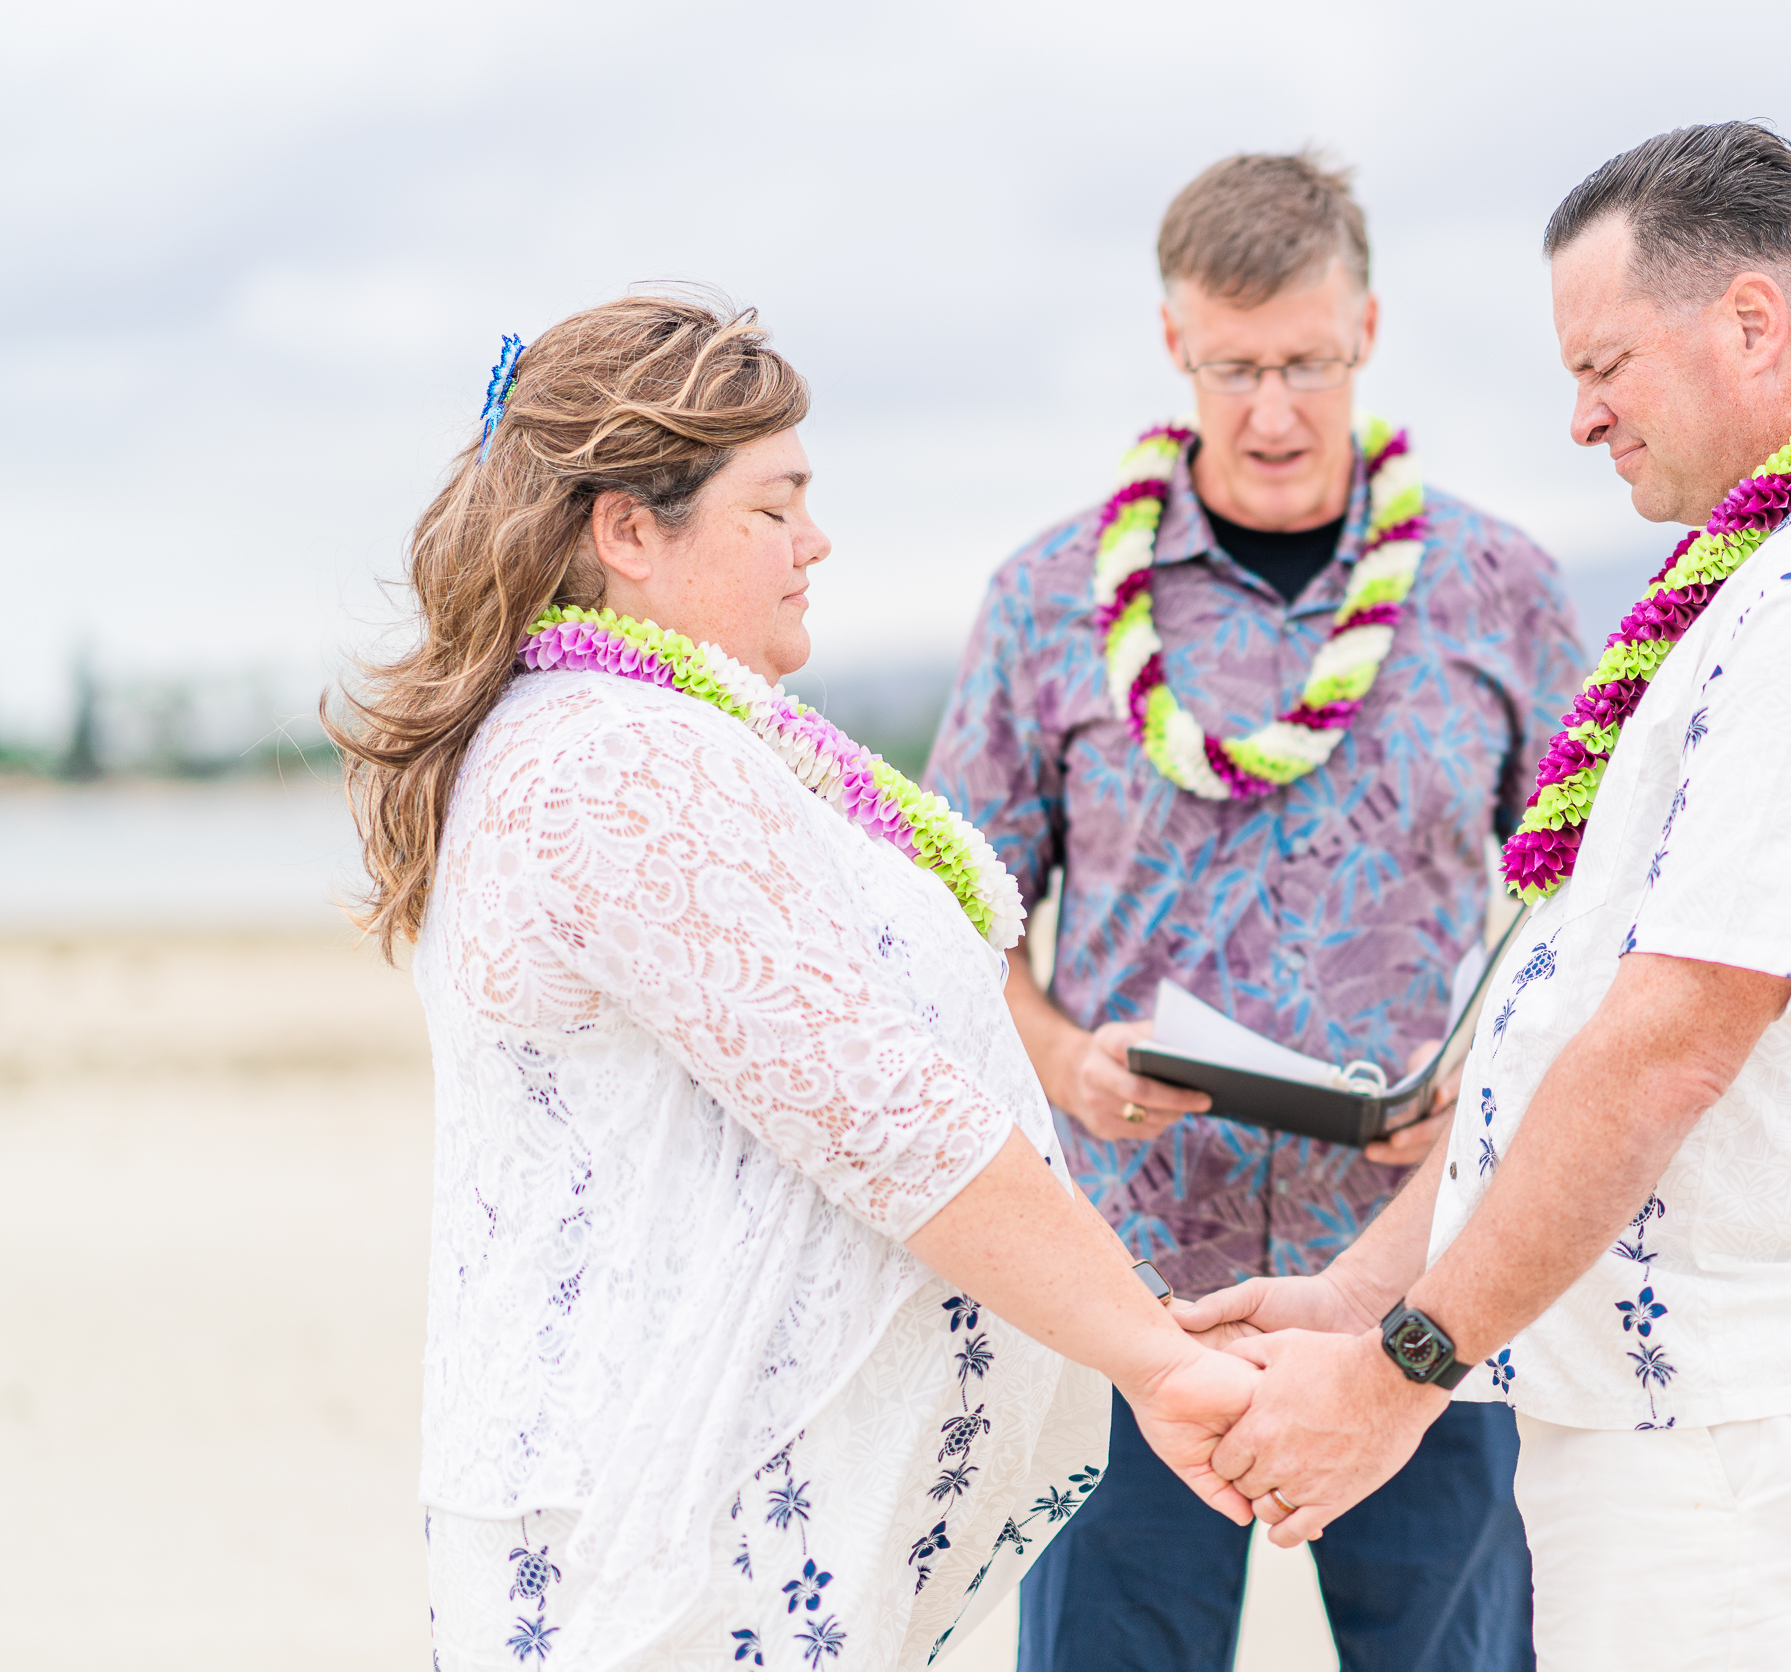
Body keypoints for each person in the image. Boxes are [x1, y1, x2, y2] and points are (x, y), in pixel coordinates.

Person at [1180, 123, 1791, 1670]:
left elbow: (1668, 1045)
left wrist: (1395, 1378)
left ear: (1752, 322)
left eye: (1603, 366)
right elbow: (1565, 1011)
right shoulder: (1777, 578)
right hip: (1663, 1420)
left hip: (1736, 1437)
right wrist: (1356, 1294)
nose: (1576, 418)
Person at [326, 292, 1261, 1672]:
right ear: (630, 530)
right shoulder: (620, 763)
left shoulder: (623, 732)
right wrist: (1161, 1361)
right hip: (677, 1523)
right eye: (775, 508)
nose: (815, 542)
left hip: (688, 1501)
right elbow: (890, 1120)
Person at [921, 152, 1581, 1672]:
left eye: (1305, 362)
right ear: (1174, 347)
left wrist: (1479, 1081)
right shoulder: (1044, 601)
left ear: (1366, 328)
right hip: (1131, 1285)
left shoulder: (1498, 590)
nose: (1273, 410)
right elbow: (955, 931)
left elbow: (1573, 916)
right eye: (1235, 368)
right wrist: (1061, 1055)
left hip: (1419, 1290)